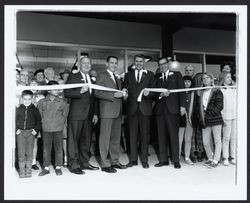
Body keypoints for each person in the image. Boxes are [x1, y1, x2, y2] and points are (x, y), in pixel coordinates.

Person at [64, 56, 99, 175]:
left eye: (89, 63)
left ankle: (84, 163)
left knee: (86, 140)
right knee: (73, 140)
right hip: (76, 114)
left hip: (88, 115)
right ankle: (73, 165)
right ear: (79, 64)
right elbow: (66, 92)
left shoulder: (92, 79)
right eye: (84, 63)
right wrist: (80, 91)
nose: (87, 65)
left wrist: (94, 113)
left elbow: (93, 98)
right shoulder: (73, 76)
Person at [94, 56, 127, 173]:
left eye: (115, 63)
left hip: (117, 112)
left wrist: (124, 95)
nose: (114, 65)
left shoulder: (117, 78)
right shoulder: (102, 75)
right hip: (107, 111)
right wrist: (113, 95)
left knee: (115, 139)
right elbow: (97, 92)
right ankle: (105, 164)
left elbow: (118, 94)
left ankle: (115, 161)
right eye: (111, 62)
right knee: (105, 139)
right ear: (106, 63)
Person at [123, 54, 155, 169]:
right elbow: (124, 89)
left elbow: (154, 91)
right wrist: (124, 93)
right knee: (132, 135)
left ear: (144, 63)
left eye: (141, 61)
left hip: (145, 109)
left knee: (145, 136)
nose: (139, 63)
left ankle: (144, 160)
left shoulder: (150, 75)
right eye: (137, 61)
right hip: (132, 109)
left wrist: (149, 94)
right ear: (134, 62)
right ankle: (133, 160)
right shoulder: (128, 75)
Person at [154, 57, 186, 169]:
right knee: (161, 136)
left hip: (173, 110)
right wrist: (160, 95)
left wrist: (183, 106)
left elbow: (182, 91)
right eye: (160, 64)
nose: (162, 66)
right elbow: (154, 94)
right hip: (160, 110)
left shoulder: (177, 75)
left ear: (168, 64)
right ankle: (163, 160)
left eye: (164, 63)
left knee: (174, 136)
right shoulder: (156, 77)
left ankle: (176, 160)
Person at [37, 81, 68, 176]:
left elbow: (64, 115)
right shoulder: (42, 102)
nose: (57, 90)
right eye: (54, 88)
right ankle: (46, 168)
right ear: (48, 90)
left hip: (58, 129)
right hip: (46, 129)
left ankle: (58, 167)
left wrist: (59, 124)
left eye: (57, 88)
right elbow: (39, 115)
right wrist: (44, 123)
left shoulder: (62, 102)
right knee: (46, 149)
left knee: (58, 149)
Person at [199, 73, 224, 169]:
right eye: (203, 78)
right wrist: (202, 116)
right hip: (205, 120)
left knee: (217, 140)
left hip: (215, 119)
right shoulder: (200, 92)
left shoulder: (217, 91)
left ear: (211, 80)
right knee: (205, 142)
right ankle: (210, 158)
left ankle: (216, 160)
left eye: (207, 78)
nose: (205, 80)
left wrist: (210, 114)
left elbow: (220, 106)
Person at [16, 90, 41, 178]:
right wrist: (16, 129)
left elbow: (39, 121)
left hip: (30, 133)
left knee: (29, 152)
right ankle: (22, 172)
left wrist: (36, 130)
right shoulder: (18, 109)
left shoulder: (35, 109)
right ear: (21, 99)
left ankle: (28, 171)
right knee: (21, 153)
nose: (27, 101)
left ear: (32, 99)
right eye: (25, 99)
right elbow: (13, 120)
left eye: (29, 99)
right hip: (21, 133)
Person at [219, 71, 237, 166]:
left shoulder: (234, 88)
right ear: (223, 79)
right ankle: (225, 157)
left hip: (235, 115)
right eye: (228, 77)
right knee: (226, 137)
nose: (230, 79)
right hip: (226, 116)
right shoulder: (221, 90)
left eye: (230, 77)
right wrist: (222, 117)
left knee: (234, 137)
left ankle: (233, 156)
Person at [29, 79, 45, 170]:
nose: (34, 86)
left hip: (37, 122)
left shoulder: (42, 97)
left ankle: (33, 162)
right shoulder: (25, 96)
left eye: (36, 84)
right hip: (27, 122)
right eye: (32, 84)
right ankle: (26, 161)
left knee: (35, 142)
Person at [178, 76, 194, 165]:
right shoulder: (179, 92)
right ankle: (177, 157)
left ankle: (187, 157)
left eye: (189, 81)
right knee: (179, 139)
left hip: (190, 119)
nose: (187, 83)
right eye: (185, 81)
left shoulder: (193, 93)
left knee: (188, 139)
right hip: (181, 117)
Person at [58, 79, 69, 167]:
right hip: (56, 120)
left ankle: (66, 157)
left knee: (65, 139)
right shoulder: (54, 96)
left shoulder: (67, 96)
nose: (60, 86)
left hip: (66, 120)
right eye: (59, 84)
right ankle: (59, 158)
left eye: (62, 84)